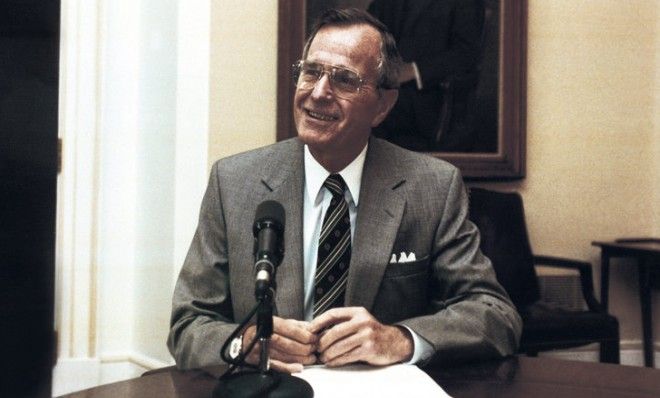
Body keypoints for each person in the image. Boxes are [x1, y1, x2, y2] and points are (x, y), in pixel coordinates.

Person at [167, 8, 521, 373]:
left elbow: (495, 316)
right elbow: (188, 323)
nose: (319, 93)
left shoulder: (432, 186)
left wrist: (397, 338)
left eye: (344, 80)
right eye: (311, 72)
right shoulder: (234, 182)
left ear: (383, 105)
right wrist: (243, 344)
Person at [368, 0, 485, 152]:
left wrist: (414, 71)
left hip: (430, 97)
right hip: (381, 88)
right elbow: (367, 30)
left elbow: (467, 54)